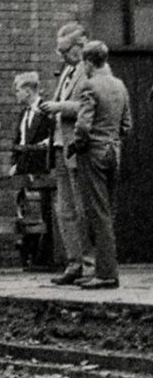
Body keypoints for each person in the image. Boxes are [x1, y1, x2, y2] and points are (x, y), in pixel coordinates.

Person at [67, 41, 131, 289]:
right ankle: (106, 269)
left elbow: (82, 127)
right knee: (108, 212)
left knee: (97, 213)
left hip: (93, 153)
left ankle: (106, 273)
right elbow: (126, 125)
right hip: (114, 150)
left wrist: (80, 145)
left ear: (87, 62)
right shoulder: (120, 85)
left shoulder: (90, 86)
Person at [39, 22, 92, 285]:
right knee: (65, 209)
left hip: (78, 146)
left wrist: (59, 106)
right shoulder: (66, 72)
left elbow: (88, 105)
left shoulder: (91, 70)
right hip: (60, 145)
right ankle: (74, 263)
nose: (61, 56)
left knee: (82, 207)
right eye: (59, 51)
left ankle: (90, 264)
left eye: (65, 50)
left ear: (80, 46)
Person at [10, 71, 56, 266]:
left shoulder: (47, 111)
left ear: (28, 91)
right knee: (24, 211)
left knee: (43, 212)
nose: (16, 94)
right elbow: (18, 140)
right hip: (23, 169)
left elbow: (52, 136)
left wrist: (44, 145)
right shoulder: (23, 113)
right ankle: (29, 256)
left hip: (40, 169)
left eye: (18, 90)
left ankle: (43, 257)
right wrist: (14, 164)